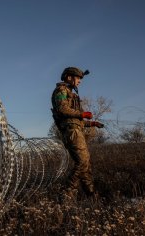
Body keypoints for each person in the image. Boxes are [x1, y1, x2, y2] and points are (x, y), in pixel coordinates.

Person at [51, 66, 104, 203]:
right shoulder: (61, 91)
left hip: (76, 130)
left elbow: (76, 120)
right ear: (69, 77)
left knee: (85, 164)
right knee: (82, 162)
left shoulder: (72, 94)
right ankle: (66, 193)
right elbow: (63, 110)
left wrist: (92, 123)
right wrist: (82, 114)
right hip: (71, 132)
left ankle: (91, 195)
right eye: (78, 78)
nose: (79, 81)